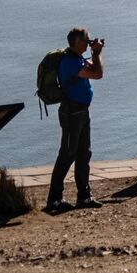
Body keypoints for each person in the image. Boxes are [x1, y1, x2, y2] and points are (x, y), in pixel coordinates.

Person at [46, 28, 105, 213]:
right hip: (72, 113)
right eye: (86, 40)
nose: (88, 43)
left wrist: (96, 53)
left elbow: (96, 70)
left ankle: (84, 196)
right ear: (78, 42)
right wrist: (96, 53)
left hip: (81, 111)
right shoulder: (70, 62)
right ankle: (54, 199)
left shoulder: (77, 59)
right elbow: (97, 74)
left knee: (83, 153)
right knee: (67, 154)